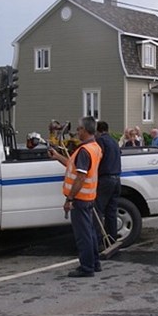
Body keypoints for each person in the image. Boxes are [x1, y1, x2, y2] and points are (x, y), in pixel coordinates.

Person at [49, 116, 103, 278]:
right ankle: (94, 263)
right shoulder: (94, 147)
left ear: (85, 131)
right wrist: (58, 156)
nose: (77, 132)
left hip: (80, 198)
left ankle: (86, 267)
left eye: (79, 129)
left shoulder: (84, 151)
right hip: (89, 196)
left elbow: (80, 177)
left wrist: (70, 199)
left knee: (83, 235)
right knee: (90, 231)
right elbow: (74, 167)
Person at [95, 121, 122, 244]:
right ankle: (112, 239)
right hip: (117, 178)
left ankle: (99, 241)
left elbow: (98, 157)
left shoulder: (101, 141)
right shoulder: (114, 141)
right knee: (111, 211)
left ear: (98, 130)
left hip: (105, 179)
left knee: (98, 210)